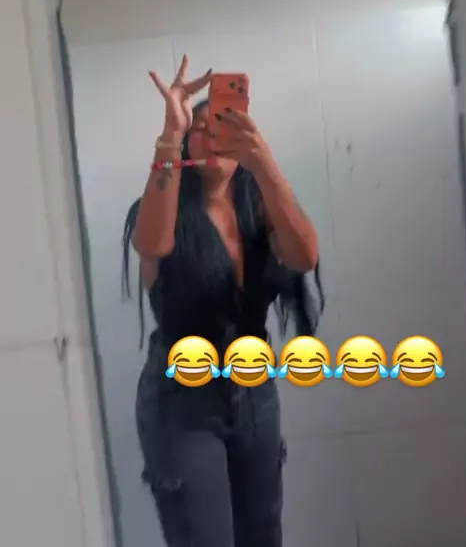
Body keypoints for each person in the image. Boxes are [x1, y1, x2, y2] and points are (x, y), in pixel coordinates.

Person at [122, 55, 324, 547]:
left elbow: (304, 255)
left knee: (263, 535)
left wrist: (264, 162)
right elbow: (152, 245)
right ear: (187, 146)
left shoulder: (261, 202)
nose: (212, 137)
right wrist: (170, 133)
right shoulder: (162, 206)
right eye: (200, 130)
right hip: (182, 398)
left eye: (224, 128)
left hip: (253, 389)